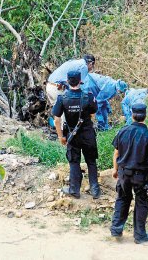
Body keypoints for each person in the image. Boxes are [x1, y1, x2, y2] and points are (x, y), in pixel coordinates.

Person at [110, 103, 148, 244]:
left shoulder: (122, 131)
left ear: (132, 115)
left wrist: (115, 169)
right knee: (141, 202)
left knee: (122, 199)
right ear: (145, 115)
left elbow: (116, 153)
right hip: (140, 177)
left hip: (124, 174)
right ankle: (139, 235)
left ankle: (116, 229)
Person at [52, 71, 101, 199]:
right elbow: (93, 112)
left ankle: (74, 190)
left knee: (74, 162)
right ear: (80, 81)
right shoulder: (89, 97)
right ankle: (95, 190)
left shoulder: (62, 98)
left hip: (71, 135)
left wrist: (60, 136)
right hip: (88, 134)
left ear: (67, 82)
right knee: (91, 161)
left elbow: (56, 119)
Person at [46, 54, 96, 130]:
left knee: (59, 113)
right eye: (92, 66)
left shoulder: (74, 62)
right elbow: (79, 86)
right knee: (67, 113)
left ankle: (58, 131)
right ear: (91, 63)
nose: (91, 68)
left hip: (49, 86)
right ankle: (66, 134)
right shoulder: (84, 66)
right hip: (58, 88)